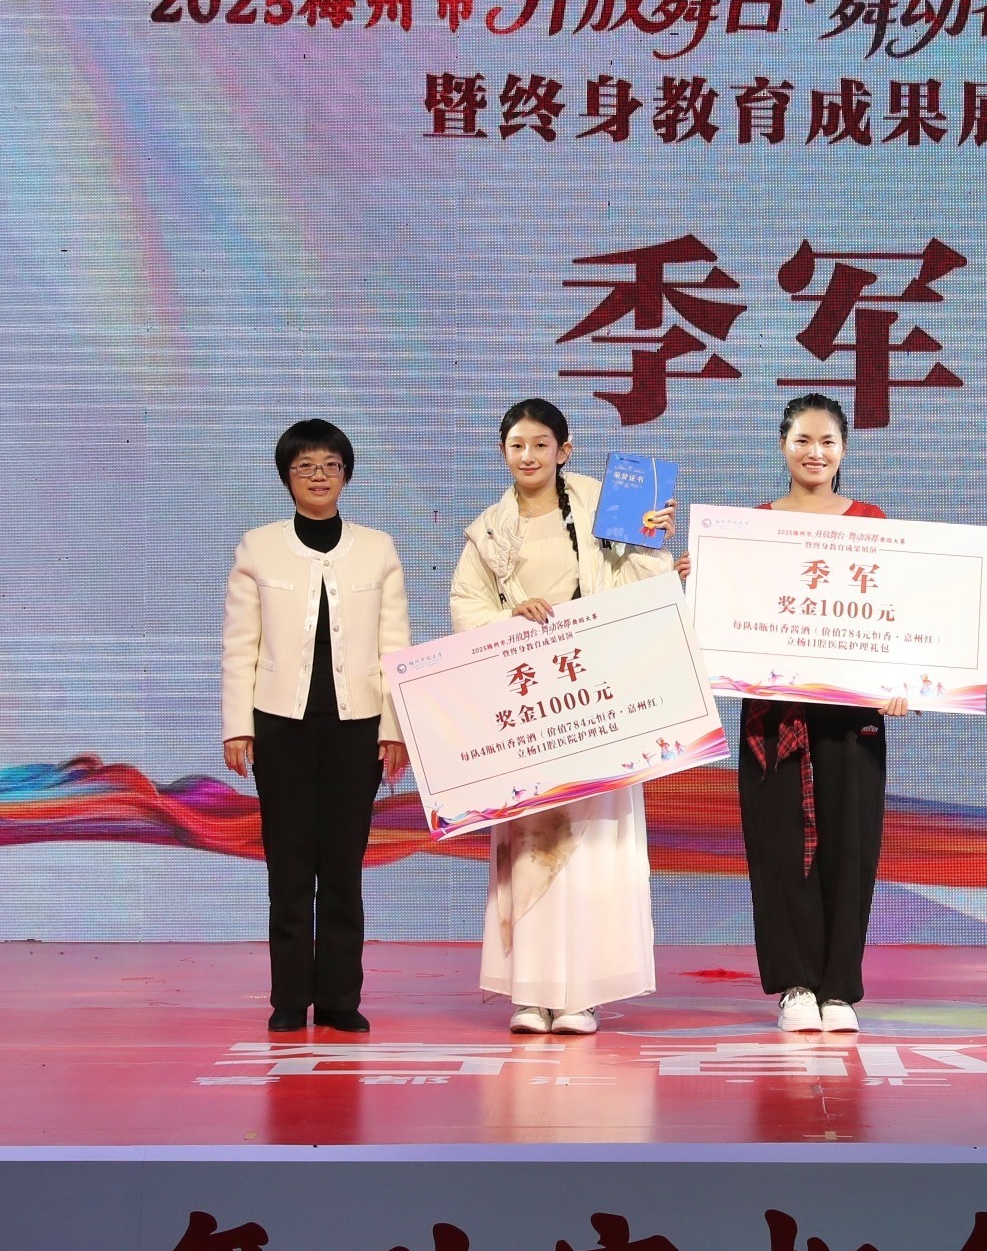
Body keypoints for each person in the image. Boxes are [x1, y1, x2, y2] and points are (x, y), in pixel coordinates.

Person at [451, 399, 677, 1035]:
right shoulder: (489, 532)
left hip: (595, 700)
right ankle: (531, 991)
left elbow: (645, 589)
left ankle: (581, 993)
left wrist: (652, 541)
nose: (528, 456)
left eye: (541, 445)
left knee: (594, 844)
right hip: (529, 710)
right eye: (517, 446)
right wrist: (511, 616)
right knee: (531, 841)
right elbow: (466, 607)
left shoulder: (606, 506)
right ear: (503, 453)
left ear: (564, 451)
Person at [221, 419, 411, 1035]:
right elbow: (240, 645)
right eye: (305, 467)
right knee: (288, 864)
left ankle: (338, 999)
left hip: (357, 726)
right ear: (287, 478)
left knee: (343, 866)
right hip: (280, 726)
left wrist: (394, 729)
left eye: (330, 465)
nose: (319, 476)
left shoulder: (377, 549)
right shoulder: (258, 548)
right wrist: (237, 726)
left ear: (346, 475)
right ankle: (288, 998)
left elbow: (394, 644)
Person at [727, 394, 907, 1034]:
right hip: (775, 717)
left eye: (827, 441)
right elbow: (731, 613)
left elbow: (899, 612)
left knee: (850, 847)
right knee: (779, 848)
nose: (815, 452)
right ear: (783, 446)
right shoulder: (752, 526)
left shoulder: (871, 522)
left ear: (844, 450)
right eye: (802, 439)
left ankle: (840, 990)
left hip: (850, 717)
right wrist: (705, 575)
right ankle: (796, 985)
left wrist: (903, 681)